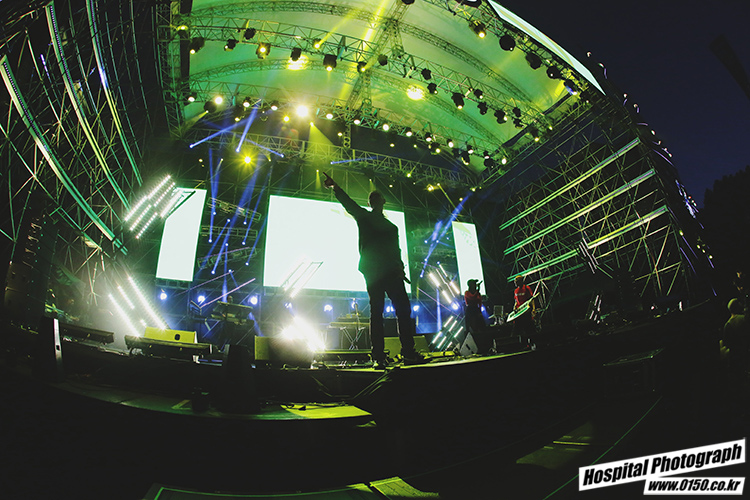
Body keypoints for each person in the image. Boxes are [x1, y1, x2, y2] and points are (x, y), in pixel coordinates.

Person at [323, 172, 423, 368]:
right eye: (375, 198)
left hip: (386, 272)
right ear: (376, 202)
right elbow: (349, 204)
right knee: (385, 311)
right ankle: (389, 355)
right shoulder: (370, 219)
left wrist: (400, 268)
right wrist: (335, 187)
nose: (377, 200)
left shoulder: (386, 225)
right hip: (379, 271)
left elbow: (396, 250)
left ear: (379, 202)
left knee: (390, 311)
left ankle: (396, 354)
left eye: (377, 198)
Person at [512, 275, 536, 348]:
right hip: (519, 313)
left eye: (516, 281)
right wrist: (514, 307)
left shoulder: (526, 288)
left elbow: (531, 299)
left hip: (526, 312)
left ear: (520, 281)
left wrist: (533, 309)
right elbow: (516, 301)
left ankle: (532, 343)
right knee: (517, 329)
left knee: (528, 328)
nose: (515, 283)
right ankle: (520, 345)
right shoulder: (515, 291)